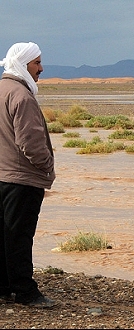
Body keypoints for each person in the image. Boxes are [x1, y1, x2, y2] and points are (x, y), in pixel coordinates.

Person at [0, 42, 56, 308]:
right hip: (21, 179)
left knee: (4, 234)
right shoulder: (21, 96)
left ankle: (4, 286)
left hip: (2, 176)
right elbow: (30, 142)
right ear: (23, 64)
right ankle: (25, 291)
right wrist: (46, 166)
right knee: (20, 236)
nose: (41, 68)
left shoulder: (2, 90)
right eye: (36, 63)